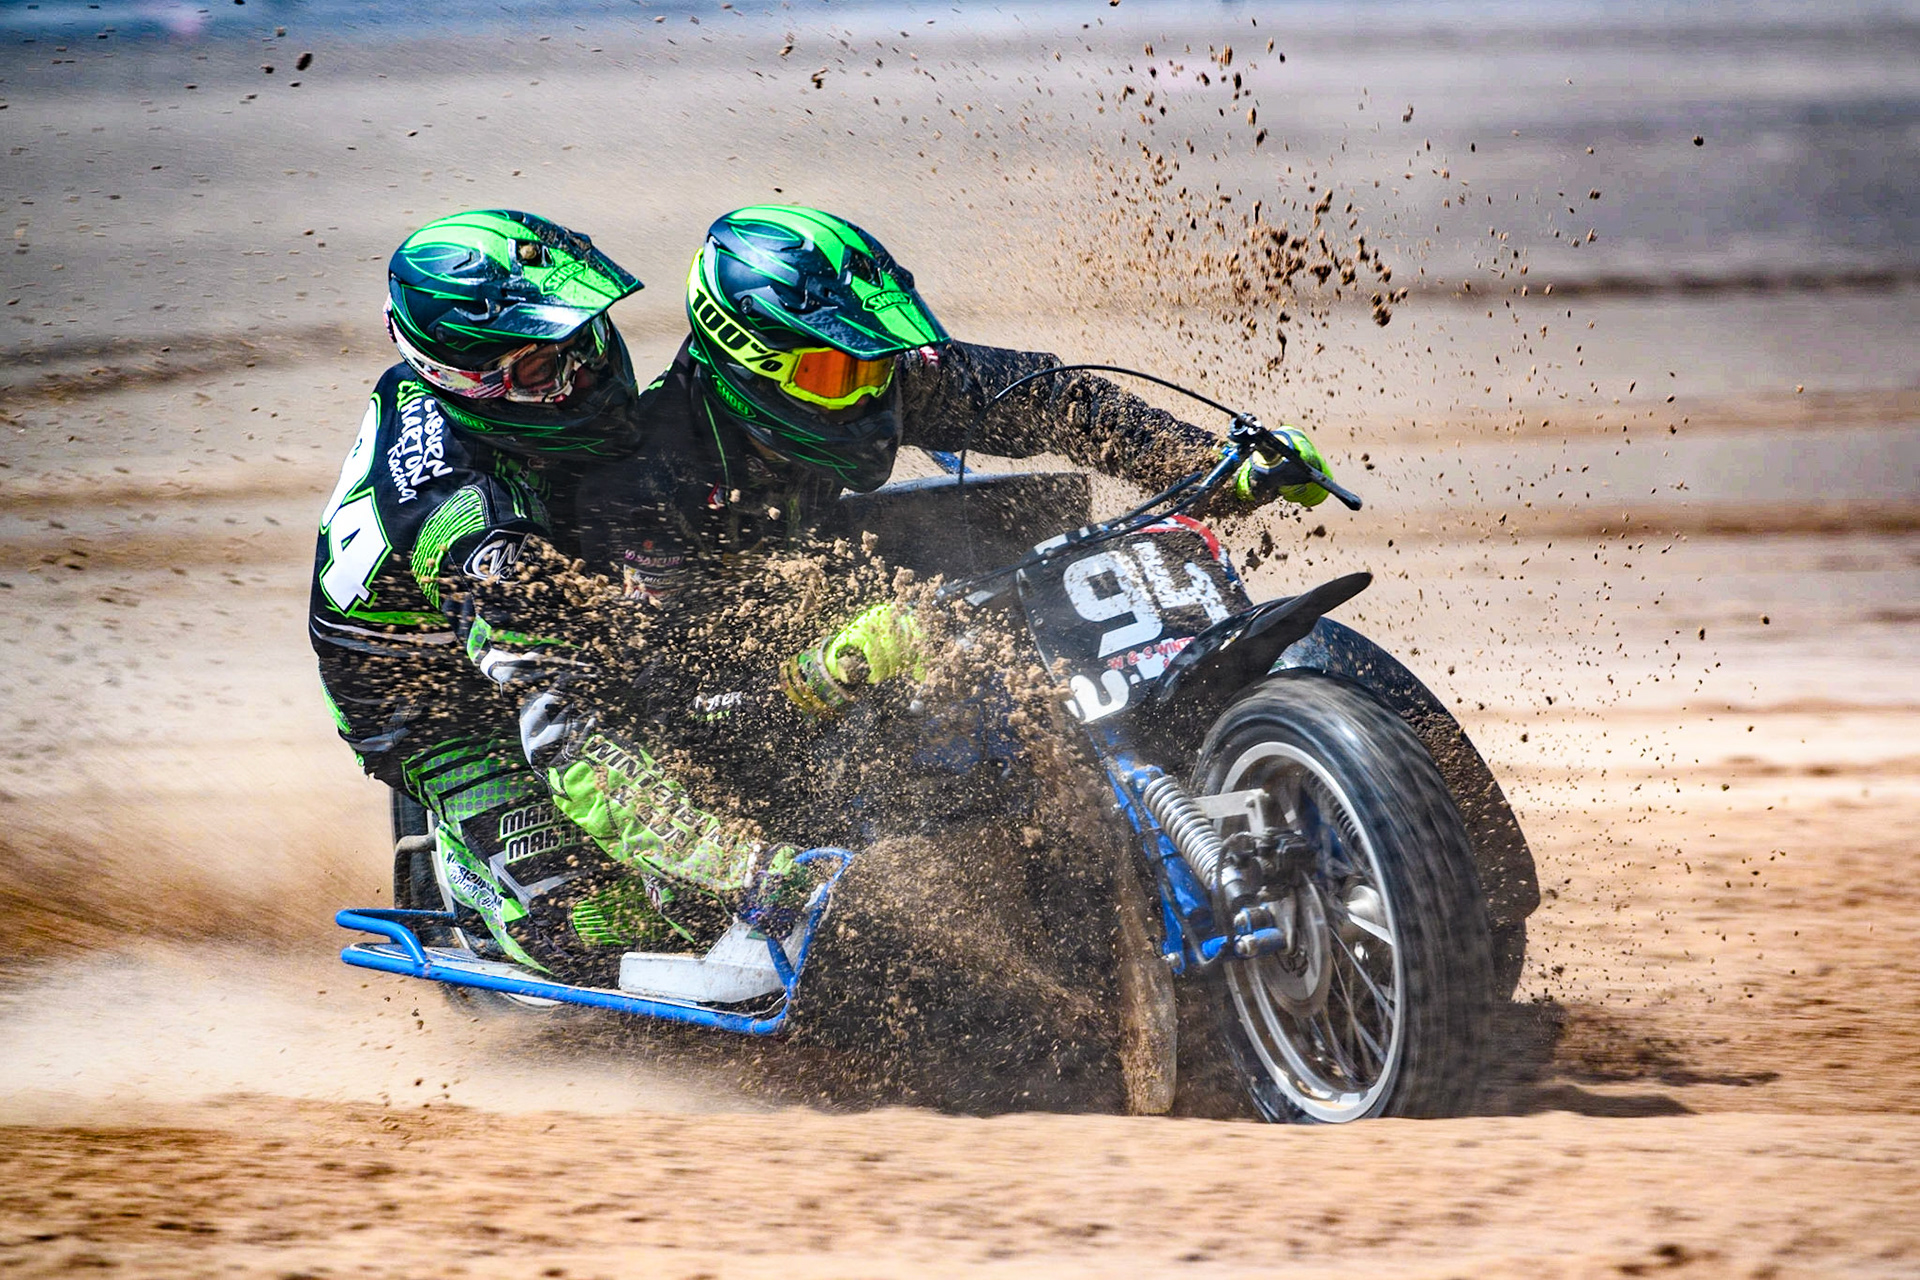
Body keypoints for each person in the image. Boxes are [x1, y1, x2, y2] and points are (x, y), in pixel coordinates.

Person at [312, 204, 1334, 988]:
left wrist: (1215, 460)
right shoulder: (563, 494)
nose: (580, 371)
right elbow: (644, 712)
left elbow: (1051, 398)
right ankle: (476, 864)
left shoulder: (852, 368)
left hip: (650, 605)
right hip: (424, 679)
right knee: (588, 929)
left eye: (582, 338)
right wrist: (760, 850)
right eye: (540, 362)